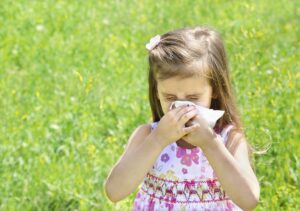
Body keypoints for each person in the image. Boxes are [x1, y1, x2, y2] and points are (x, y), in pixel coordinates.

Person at [104, 26, 260, 210]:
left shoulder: (229, 139)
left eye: (193, 98)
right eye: (170, 97)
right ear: (157, 93)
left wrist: (210, 144)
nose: (182, 106)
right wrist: (158, 140)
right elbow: (114, 191)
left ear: (215, 90)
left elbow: (249, 200)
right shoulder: (147, 135)